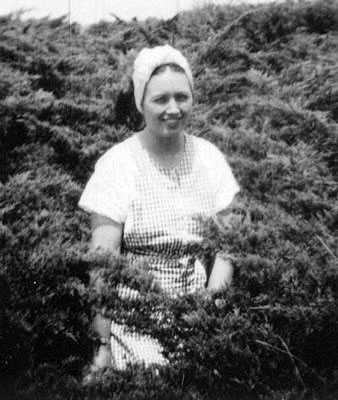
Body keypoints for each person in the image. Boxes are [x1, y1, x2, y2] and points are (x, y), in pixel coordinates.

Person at [79, 44, 240, 374]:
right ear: (141, 102)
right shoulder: (117, 165)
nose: (173, 108)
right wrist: (103, 347)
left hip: (200, 311)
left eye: (182, 97)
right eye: (160, 99)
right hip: (136, 318)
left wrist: (210, 311)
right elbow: (103, 266)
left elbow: (228, 247)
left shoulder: (210, 158)